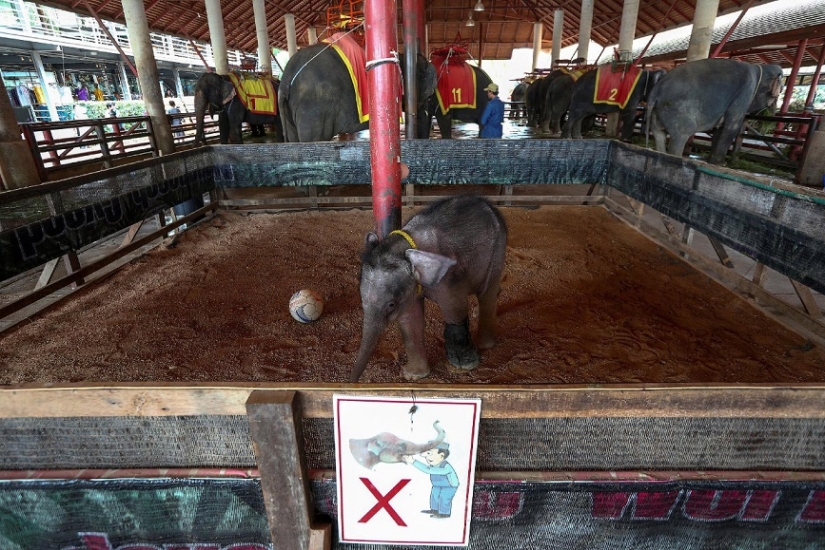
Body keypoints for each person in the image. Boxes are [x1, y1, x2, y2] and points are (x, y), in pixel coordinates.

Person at [402, 442, 459, 518]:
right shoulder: (434, 464)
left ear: (441, 455)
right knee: (434, 497)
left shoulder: (445, 467)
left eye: (430, 454)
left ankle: (444, 513)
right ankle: (435, 510)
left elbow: (429, 470)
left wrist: (414, 462)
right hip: (437, 485)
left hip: (449, 486)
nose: (427, 458)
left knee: (444, 498)